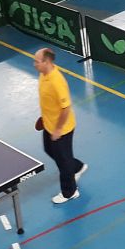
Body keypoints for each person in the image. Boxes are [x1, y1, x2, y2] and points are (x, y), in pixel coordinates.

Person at [35, 47, 86, 204]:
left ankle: (70, 192)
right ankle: (77, 167)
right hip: (48, 124)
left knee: (63, 162)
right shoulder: (43, 75)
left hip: (62, 129)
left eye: (37, 61)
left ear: (47, 62)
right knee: (49, 150)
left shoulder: (57, 82)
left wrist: (58, 129)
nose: (34, 64)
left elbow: (66, 108)